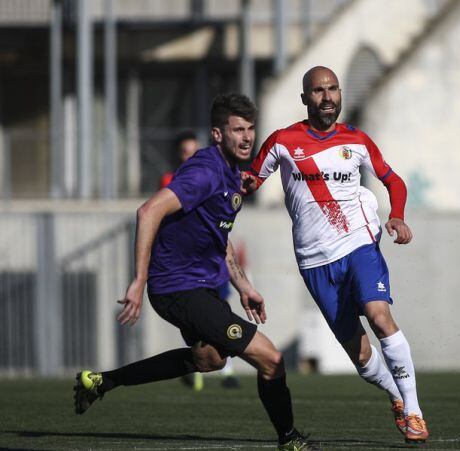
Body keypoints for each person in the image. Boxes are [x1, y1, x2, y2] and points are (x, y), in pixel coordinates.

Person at [73, 93, 311, 450]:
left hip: (197, 286)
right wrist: (139, 279)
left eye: (250, 129)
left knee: (210, 359)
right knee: (270, 358)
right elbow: (148, 211)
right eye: (237, 130)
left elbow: (220, 236)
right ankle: (290, 439)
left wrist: (244, 286)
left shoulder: (232, 173)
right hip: (178, 287)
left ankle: (101, 382)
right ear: (218, 134)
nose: (247, 137)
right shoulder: (205, 172)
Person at [244, 66, 429, 443]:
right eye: (317, 91)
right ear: (304, 98)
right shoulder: (282, 141)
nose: (326, 97)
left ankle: (413, 409)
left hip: (358, 243)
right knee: (360, 356)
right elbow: (249, 181)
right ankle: (396, 395)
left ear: (340, 93)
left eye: (332, 89)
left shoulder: (357, 140)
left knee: (379, 317)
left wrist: (397, 216)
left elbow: (393, 180)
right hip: (314, 260)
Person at [160, 130, 243, 391]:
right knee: (199, 323)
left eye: (194, 152)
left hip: (214, 264)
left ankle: (225, 371)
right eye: (185, 153)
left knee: (221, 314)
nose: (190, 157)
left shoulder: (213, 177)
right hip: (186, 270)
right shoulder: (171, 183)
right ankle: (199, 369)